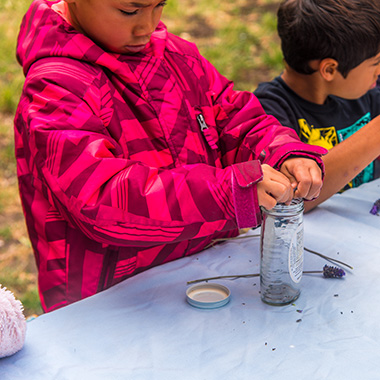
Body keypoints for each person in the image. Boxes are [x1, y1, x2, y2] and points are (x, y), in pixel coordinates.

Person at [14, 0, 325, 312]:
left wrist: (282, 151)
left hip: (205, 272)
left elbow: (234, 119)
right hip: (111, 304)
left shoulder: (177, 57)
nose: (147, 26)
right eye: (129, 11)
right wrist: (224, 192)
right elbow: (101, 199)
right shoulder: (55, 88)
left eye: (158, 6)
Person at [254, 0, 380, 212]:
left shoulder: (366, 91)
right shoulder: (267, 114)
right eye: (375, 63)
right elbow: (289, 196)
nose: (378, 72)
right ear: (329, 70)